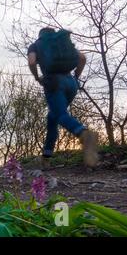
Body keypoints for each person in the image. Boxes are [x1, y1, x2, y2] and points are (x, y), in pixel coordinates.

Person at [27, 27, 99, 169]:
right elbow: (82, 58)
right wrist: (75, 77)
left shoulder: (36, 45)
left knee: (60, 114)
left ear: (40, 35)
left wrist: (37, 77)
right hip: (71, 82)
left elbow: (31, 61)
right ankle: (46, 157)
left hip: (53, 82)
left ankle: (83, 133)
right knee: (53, 117)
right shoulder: (61, 42)